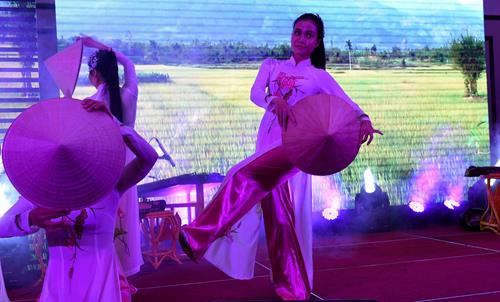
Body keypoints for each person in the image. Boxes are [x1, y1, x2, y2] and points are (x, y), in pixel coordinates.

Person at [181, 13, 382, 300]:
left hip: (296, 148)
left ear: (317, 42)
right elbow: (254, 94)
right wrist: (272, 99)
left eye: (309, 35)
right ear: (291, 35)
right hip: (266, 141)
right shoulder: (271, 66)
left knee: (243, 175)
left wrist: (363, 119)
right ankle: (294, 289)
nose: (301, 38)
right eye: (298, 32)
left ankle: (197, 235)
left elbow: (347, 103)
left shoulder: (318, 76)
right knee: (280, 220)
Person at [0, 106, 157, 302]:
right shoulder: (43, 193)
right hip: (60, 285)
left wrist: (117, 125)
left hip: (101, 282)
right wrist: (30, 218)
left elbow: (149, 158)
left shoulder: (108, 186)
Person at [78, 36, 143, 281]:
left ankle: (107, 277)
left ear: (94, 74)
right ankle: (123, 280)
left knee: (103, 222)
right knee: (124, 221)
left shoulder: (92, 103)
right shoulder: (129, 93)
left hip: (102, 170)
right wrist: (99, 45)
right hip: (128, 164)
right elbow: (130, 65)